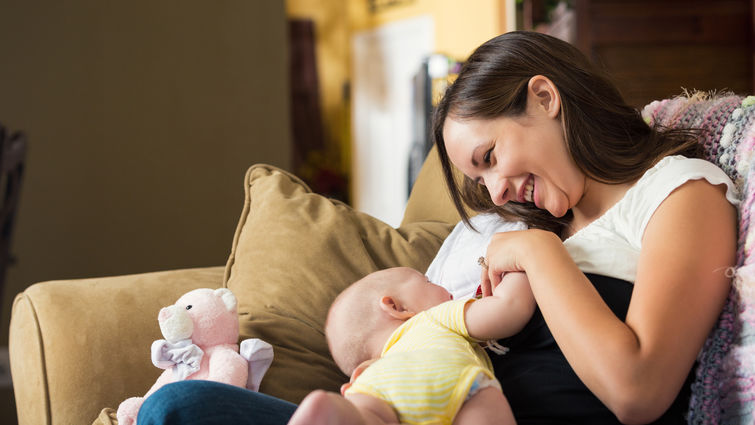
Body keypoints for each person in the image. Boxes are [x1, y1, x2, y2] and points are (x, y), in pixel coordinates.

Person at [137, 31, 739, 424]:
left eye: (489, 158)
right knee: (180, 406)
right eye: (483, 182)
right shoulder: (546, 228)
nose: (497, 193)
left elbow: (638, 391)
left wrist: (535, 253)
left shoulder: (680, 193)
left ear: (545, 97)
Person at [287, 266, 535, 425]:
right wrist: (517, 269)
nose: (442, 286)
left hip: (369, 391)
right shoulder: (434, 317)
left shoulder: (374, 370)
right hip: (444, 378)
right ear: (398, 307)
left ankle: (341, 415)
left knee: (367, 419)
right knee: (484, 401)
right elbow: (509, 308)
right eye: (426, 281)